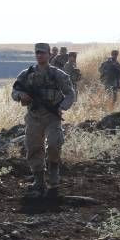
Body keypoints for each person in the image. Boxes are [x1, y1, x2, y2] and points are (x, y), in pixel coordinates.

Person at [11, 43, 76, 198]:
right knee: (33, 147)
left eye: (43, 53)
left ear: (49, 54)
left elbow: (70, 94)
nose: (40, 55)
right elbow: (14, 91)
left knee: (54, 144)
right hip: (34, 116)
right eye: (37, 53)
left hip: (52, 116)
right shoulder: (26, 74)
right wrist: (21, 96)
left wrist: (62, 107)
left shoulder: (57, 74)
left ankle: (54, 175)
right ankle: (39, 180)